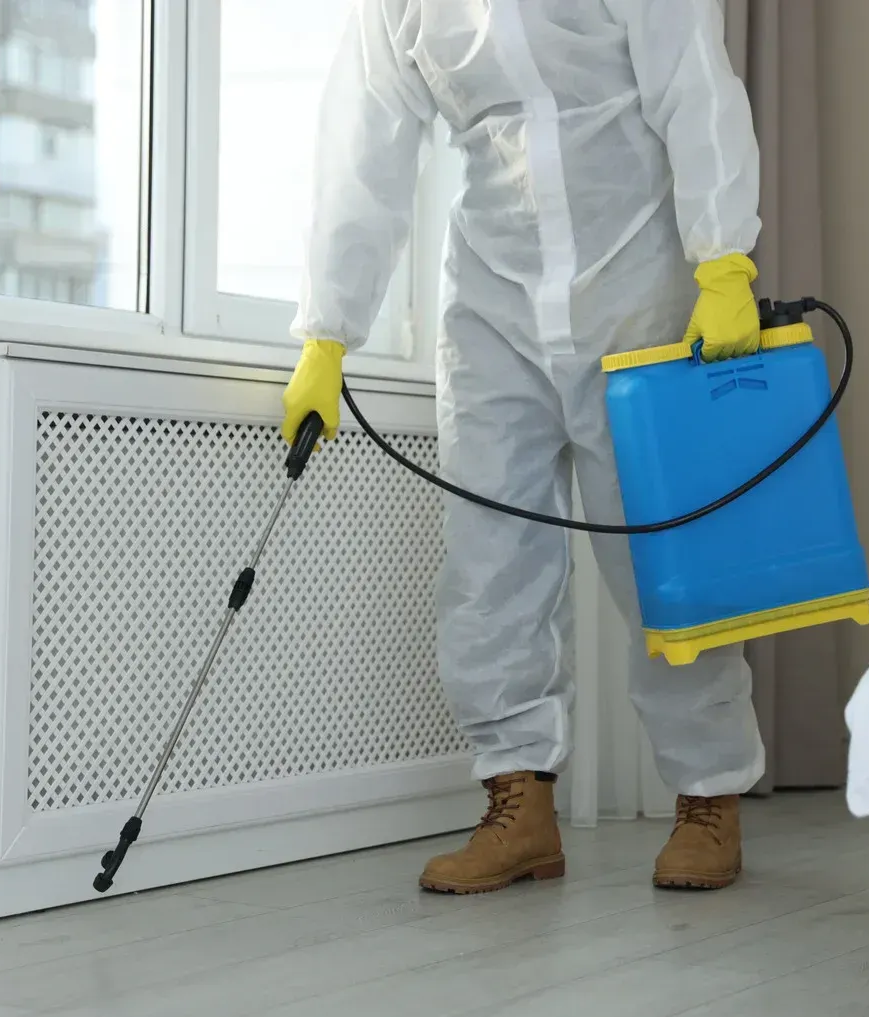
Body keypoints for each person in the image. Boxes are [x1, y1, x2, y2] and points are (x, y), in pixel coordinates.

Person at [282, 0, 765, 894]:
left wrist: (722, 254)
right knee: (488, 558)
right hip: (492, 296)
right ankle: (518, 802)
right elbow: (367, 144)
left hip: (640, 280)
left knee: (666, 553)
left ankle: (710, 793)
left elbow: (693, 84)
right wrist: (328, 330)